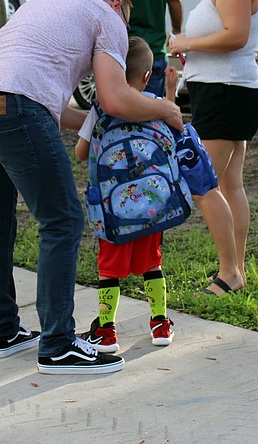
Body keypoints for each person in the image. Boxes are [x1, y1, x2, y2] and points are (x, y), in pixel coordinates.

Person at [0, 0, 183, 375]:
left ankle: (3, 330)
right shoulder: (107, 16)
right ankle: (58, 345)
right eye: (125, 21)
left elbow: (62, 113)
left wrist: (98, 124)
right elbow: (114, 98)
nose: (121, 39)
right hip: (15, 107)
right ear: (116, 4)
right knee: (63, 221)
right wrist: (164, 108)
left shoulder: (45, 8)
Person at [168, 0, 258, 296]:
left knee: (202, 184)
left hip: (228, 95)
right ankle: (235, 269)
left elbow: (236, 36)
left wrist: (186, 42)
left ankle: (229, 273)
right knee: (228, 184)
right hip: (225, 91)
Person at [74, 37, 178, 353]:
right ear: (147, 76)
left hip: (111, 210)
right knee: (152, 264)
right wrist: (170, 93)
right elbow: (174, 139)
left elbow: (81, 152)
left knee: (109, 269)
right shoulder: (155, 103)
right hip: (151, 206)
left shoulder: (101, 106)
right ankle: (160, 324)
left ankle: (107, 331)